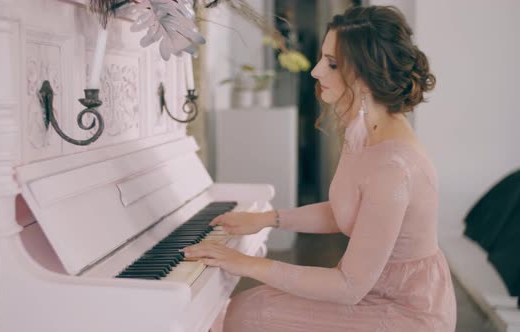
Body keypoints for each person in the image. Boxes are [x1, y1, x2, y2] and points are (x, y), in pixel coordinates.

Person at [182, 5, 457, 331]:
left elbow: (348, 286)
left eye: (331, 64)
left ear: (365, 74)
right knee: (245, 309)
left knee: (249, 314)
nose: (315, 72)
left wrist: (246, 264)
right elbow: (345, 211)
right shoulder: (362, 130)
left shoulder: (393, 168)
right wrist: (266, 219)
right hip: (369, 288)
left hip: (404, 310)